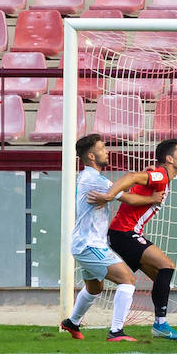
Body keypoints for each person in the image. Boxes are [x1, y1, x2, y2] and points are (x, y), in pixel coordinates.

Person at [92, 139, 177, 340]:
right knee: (167, 266)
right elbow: (132, 176)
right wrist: (109, 196)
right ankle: (160, 325)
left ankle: (74, 320)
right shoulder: (161, 175)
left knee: (161, 279)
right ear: (169, 159)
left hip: (122, 234)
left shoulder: (160, 176)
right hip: (124, 233)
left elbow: (137, 187)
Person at [59, 134, 139, 342]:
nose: (107, 152)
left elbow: (119, 191)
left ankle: (71, 323)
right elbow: (129, 198)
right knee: (127, 280)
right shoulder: (94, 179)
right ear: (92, 156)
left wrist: (113, 194)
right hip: (89, 244)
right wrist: (153, 198)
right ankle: (116, 331)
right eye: (103, 148)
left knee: (95, 288)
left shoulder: (92, 178)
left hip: (84, 243)